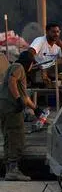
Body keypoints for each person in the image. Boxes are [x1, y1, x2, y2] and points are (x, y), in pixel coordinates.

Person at [0, 50, 38, 181]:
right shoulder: (19, 67)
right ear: (28, 62)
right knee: (16, 136)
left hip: (5, 107)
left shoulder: (13, 67)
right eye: (32, 64)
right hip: (12, 108)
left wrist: (36, 109)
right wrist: (17, 100)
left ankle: (9, 170)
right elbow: (12, 81)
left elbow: (25, 97)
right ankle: (13, 171)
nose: (32, 67)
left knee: (9, 137)